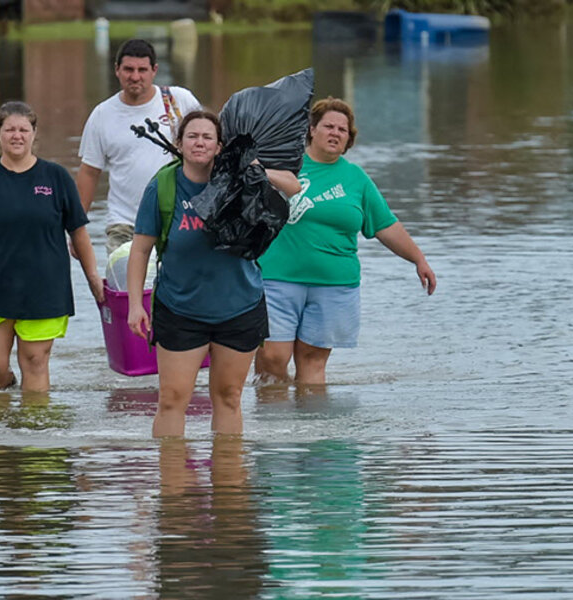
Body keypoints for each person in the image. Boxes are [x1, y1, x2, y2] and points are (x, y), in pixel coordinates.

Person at [126, 111, 301, 437]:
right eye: (192, 136)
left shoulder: (241, 179)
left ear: (220, 146)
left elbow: (293, 185)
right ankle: (173, 483)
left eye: (208, 136)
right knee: (172, 399)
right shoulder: (163, 187)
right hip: (180, 309)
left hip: (239, 307)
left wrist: (253, 167)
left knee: (229, 397)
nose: (199, 142)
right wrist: (136, 305)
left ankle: (229, 484)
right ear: (179, 143)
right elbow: (140, 250)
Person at [254, 97, 437, 386]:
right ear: (312, 129)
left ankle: (313, 428)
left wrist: (418, 259)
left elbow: (385, 225)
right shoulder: (284, 167)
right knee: (272, 360)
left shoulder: (355, 178)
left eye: (343, 129)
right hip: (276, 280)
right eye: (329, 126)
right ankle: (274, 430)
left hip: (334, 284)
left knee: (313, 362)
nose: (336, 133)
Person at [0, 101, 105, 392]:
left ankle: (34, 429)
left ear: (33, 134)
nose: (17, 135)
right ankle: (3, 414)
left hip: (45, 285)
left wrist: (93, 276)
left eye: (23, 129)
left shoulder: (55, 177)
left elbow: (78, 232)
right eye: (10, 129)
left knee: (35, 361)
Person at [77, 38, 201, 255]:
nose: (135, 77)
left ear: (154, 70)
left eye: (142, 70)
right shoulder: (102, 115)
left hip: (175, 219)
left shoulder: (179, 101)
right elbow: (89, 172)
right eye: (128, 69)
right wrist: (76, 230)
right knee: (125, 288)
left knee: (172, 288)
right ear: (117, 70)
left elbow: (208, 147)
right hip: (123, 225)